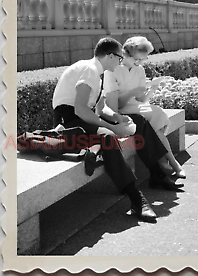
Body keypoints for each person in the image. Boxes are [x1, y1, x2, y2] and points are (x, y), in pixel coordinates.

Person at [52, 37, 161, 221]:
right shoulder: (90, 69)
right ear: (110, 56)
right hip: (68, 121)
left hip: (79, 119)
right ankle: (136, 199)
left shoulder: (96, 71)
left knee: (132, 123)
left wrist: (116, 117)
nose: (120, 62)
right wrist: (111, 127)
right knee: (108, 137)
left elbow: (101, 108)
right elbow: (80, 109)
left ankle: (156, 174)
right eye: (119, 58)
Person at [104, 36, 186, 179]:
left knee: (157, 114)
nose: (140, 63)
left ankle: (167, 162)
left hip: (136, 107)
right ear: (125, 55)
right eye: (137, 59)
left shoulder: (139, 69)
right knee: (151, 120)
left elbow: (141, 99)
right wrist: (131, 92)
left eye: (143, 59)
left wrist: (153, 88)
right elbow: (114, 107)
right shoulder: (113, 70)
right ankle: (171, 162)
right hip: (120, 111)